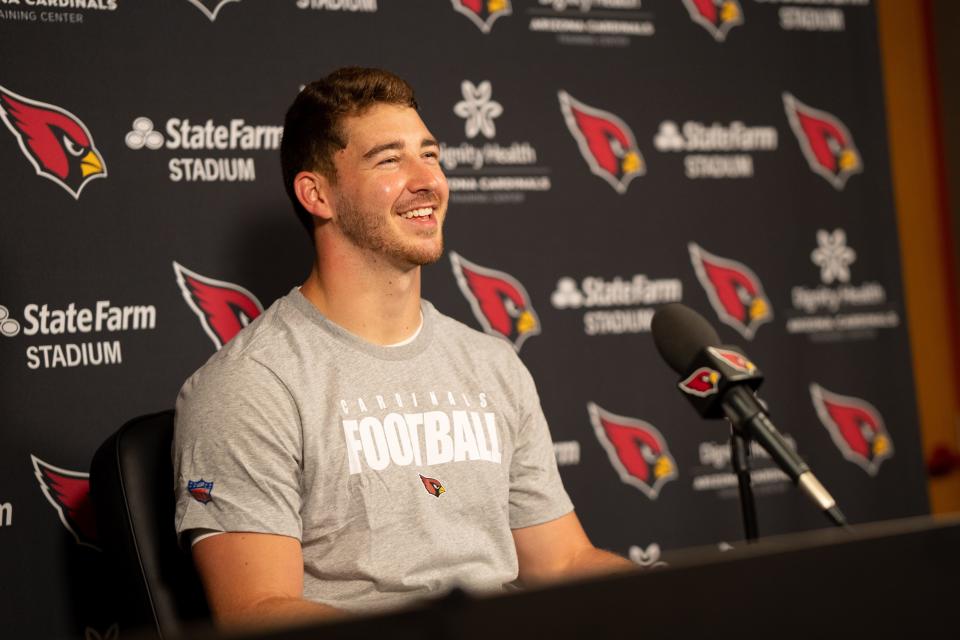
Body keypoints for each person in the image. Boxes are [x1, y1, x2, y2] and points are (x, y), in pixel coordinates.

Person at [172, 67, 633, 630]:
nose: (427, 181)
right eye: (389, 160)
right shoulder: (251, 384)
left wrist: (673, 600)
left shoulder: (492, 365)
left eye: (431, 155)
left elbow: (562, 561)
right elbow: (256, 613)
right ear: (317, 195)